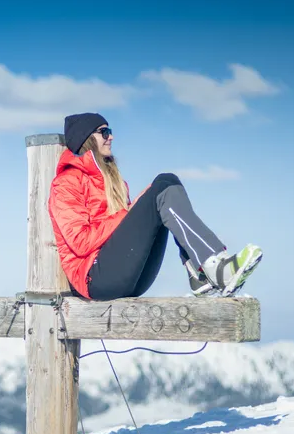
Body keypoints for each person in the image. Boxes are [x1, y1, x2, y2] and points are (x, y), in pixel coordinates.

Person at [47, 112, 262, 301]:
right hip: (94, 279)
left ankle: (200, 274)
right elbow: (81, 242)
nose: (111, 137)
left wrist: (132, 209)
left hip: (131, 278)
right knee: (162, 185)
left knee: (168, 184)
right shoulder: (66, 182)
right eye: (104, 132)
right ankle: (214, 268)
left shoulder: (114, 180)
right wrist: (127, 213)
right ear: (87, 138)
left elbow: (124, 233)